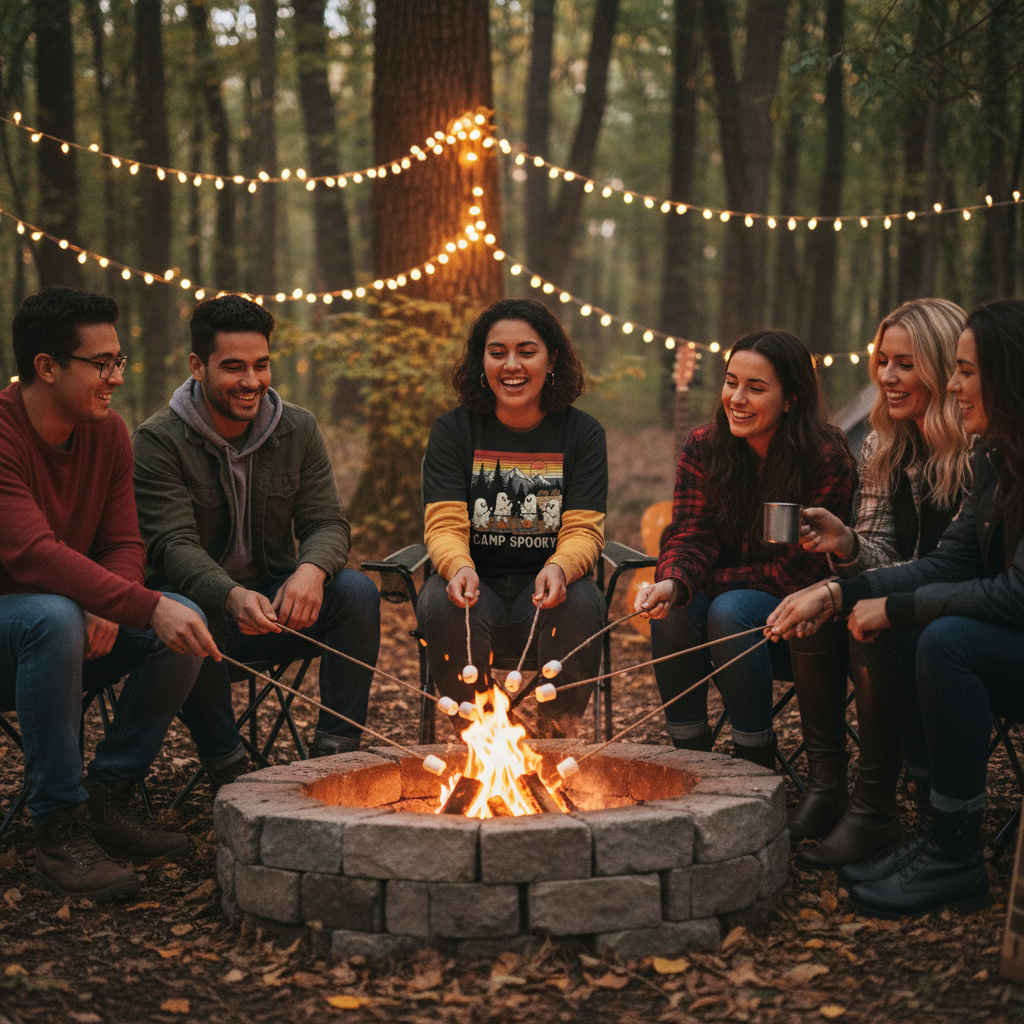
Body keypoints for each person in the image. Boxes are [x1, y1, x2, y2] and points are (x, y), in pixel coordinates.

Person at [768, 299, 1024, 918]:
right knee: (883, 629)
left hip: (993, 631)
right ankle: (927, 825)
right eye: (956, 371)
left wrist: (897, 605)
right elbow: (952, 561)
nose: (958, 386)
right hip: (989, 627)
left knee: (943, 639)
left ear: (1008, 375)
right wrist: (841, 588)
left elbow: (1012, 591)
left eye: (966, 371)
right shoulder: (1000, 455)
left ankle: (952, 853)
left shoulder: (978, 453)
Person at [0, 286, 220, 901]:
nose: (117, 378)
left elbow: (126, 543)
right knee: (52, 613)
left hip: (69, 629)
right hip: (14, 638)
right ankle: (57, 829)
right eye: (102, 364)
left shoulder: (107, 433)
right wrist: (140, 603)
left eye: (118, 362)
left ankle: (107, 797)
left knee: (184, 622)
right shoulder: (3, 437)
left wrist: (112, 600)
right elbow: (33, 555)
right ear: (47, 367)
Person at [132, 294, 380, 779]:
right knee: (188, 612)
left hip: (276, 605)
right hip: (205, 618)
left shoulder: (298, 428)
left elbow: (327, 522)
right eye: (234, 367)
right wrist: (230, 595)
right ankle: (229, 769)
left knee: (355, 591)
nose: (252, 382)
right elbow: (171, 546)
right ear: (197, 367)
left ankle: (338, 756)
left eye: (261, 365)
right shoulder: (158, 441)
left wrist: (311, 570)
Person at [786, 298, 971, 865]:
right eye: (882, 361)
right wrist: (846, 545)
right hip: (909, 594)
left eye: (906, 364)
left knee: (868, 620)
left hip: (963, 606)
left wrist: (858, 593)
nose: (887, 378)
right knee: (818, 613)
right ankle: (827, 787)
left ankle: (876, 807)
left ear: (943, 367)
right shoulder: (883, 445)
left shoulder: (977, 450)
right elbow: (885, 553)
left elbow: (960, 566)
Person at [635, 329, 856, 769]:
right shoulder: (704, 446)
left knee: (729, 608)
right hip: (720, 609)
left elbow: (799, 571)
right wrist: (675, 581)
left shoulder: (824, 456)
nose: (736, 398)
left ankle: (754, 765)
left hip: (800, 623)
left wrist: (704, 584)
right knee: (677, 607)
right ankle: (689, 764)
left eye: (755, 388)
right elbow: (689, 532)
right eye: (731, 382)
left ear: (791, 398)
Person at [417, 298, 607, 738]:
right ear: (481, 361)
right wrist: (458, 567)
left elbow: (583, 527)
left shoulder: (582, 434)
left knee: (583, 601)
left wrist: (560, 567)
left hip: (544, 600)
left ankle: (555, 744)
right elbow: (444, 522)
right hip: (473, 589)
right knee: (441, 603)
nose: (511, 366)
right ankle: (482, 743)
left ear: (552, 358)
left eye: (527, 351)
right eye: (497, 352)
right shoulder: (454, 431)